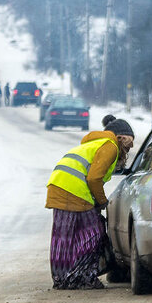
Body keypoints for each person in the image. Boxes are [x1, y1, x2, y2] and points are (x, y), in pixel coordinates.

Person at [45, 117, 136, 289]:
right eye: (129, 143)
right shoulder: (110, 146)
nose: (129, 149)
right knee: (93, 234)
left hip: (59, 186)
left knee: (64, 238)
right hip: (73, 191)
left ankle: (63, 278)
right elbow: (94, 178)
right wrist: (102, 201)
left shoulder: (95, 144)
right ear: (120, 138)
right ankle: (81, 277)